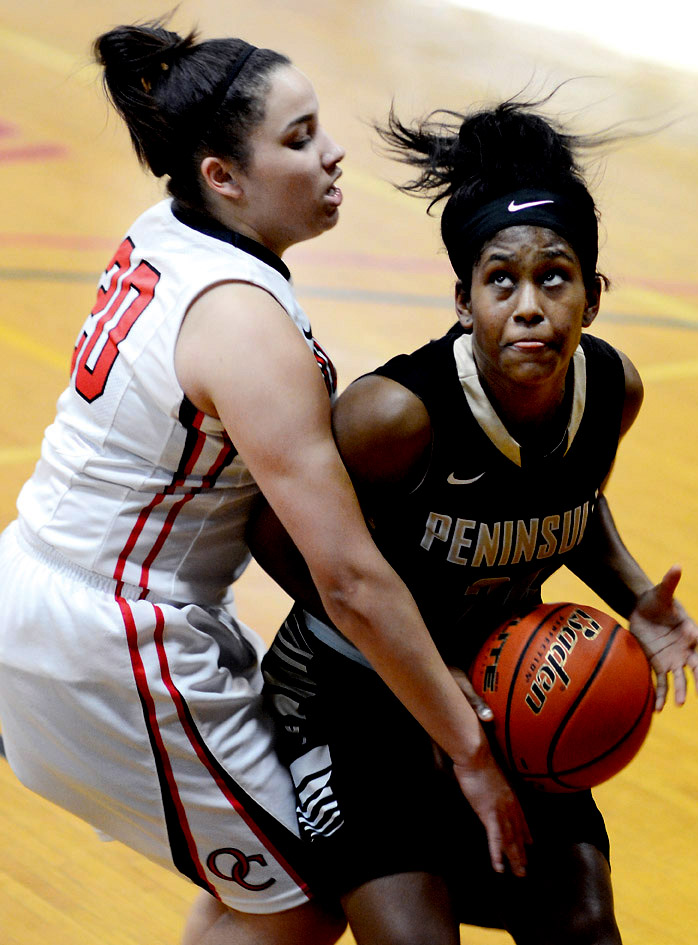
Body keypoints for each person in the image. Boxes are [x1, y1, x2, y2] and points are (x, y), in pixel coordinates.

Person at [0, 19, 529, 945]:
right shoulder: (243, 324)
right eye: (297, 140)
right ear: (222, 176)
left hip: (51, 595)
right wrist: (467, 746)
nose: (332, 156)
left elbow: (268, 529)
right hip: (114, 645)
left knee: (268, 879)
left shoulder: (169, 229)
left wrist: (413, 668)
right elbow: (347, 578)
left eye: (319, 126)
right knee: (318, 886)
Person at [255, 96, 698, 944]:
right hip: (350, 697)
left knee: (582, 927)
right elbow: (276, 532)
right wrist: (420, 667)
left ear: (594, 295)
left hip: (499, 688)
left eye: (555, 276)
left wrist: (635, 597)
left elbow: (566, 509)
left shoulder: (612, 392)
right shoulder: (395, 417)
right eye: (501, 280)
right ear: (463, 302)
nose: (529, 304)